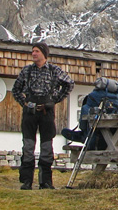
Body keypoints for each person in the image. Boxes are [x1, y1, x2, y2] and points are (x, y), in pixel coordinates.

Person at [12, 42, 74, 190]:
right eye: (32, 51)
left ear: (44, 54)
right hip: (30, 113)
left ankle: (45, 182)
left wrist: (55, 100)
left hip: (47, 112)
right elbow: (15, 89)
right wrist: (24, 103)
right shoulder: (26, 70)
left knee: (46, 147)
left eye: (37, 51)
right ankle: (26, 181)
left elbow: (70, 84)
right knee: (28, 146)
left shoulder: (54, 70)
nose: (33, 54)